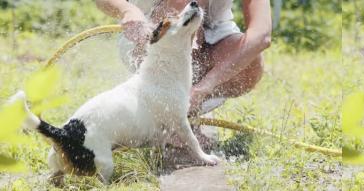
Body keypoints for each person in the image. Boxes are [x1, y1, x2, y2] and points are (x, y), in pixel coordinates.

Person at [95, 0, 271, 149]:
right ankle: (164, 115)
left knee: (251, 65)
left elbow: (261, 35)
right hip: (149, 32)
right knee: (184, 3)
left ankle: (186, 114)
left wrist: (205, 86)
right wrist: (127, 10)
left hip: (214, 32)